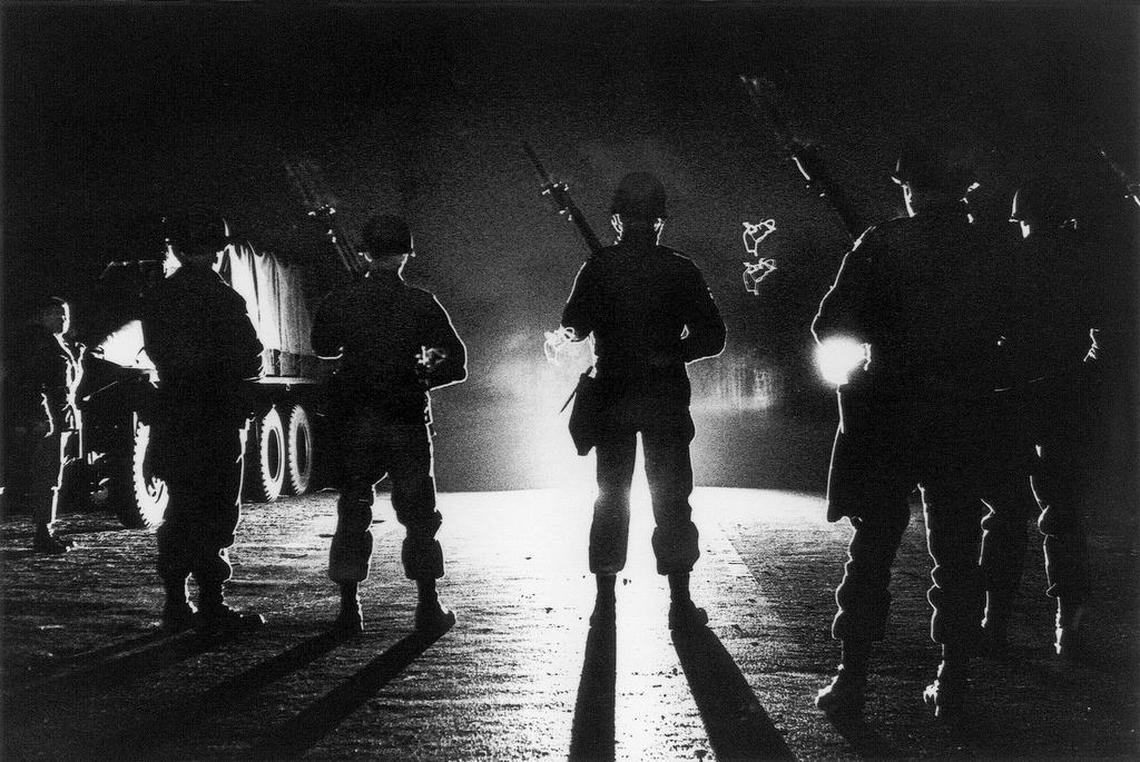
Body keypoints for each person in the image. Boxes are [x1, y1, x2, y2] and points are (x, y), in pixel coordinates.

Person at [812, 145, 1013, 719]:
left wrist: (882, 334)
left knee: (873, 543)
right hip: (964, 411)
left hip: (891, 410)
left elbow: (831, 325)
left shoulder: (881, 242)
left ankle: (851, 680)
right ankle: (954, 679)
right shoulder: (992, 246)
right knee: (957, 547)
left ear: (911, 190)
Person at [556, 171, 726, 630]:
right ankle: (680, 601)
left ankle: (605, 600)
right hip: (664, 395)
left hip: (613, 395)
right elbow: (713, 336)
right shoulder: (680, 268)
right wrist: (670, 351)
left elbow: (573, 326)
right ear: (659, 222)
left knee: (611, 496)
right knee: (671, 497)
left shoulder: (598, 267)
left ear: (616, 221)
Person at [311, 214, 467, 636]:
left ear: (365, 253)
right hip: (405, 417)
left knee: (354, 510)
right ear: (405, 256)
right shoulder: (420, 302)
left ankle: (348, 611)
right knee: (418, 513)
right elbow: (455, 361)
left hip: (358, 418)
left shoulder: (345, 297)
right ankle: (427, 607)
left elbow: (322, 347)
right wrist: (419, 372)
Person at [139, 210, 266, 633]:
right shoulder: (224, 298)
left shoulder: (158, 297)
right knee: (215, 510)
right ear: (217, 251)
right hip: (216, 418)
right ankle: (213, 603)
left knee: (179, 508)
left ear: (175, 248)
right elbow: (252, 355)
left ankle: (176, 604)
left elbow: (158, 353)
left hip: (174, 417)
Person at [2, 296, 84, 553]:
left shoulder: (53, 343)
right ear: (41, 317)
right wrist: (41, 418)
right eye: (54, 314)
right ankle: (43, 534)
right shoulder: (41, 344)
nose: (61, 318)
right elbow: (30, 384)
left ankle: (45, 531)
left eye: (64, 314)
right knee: (46, 479)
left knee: (43, 478)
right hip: (46, 421)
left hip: (50, 418)